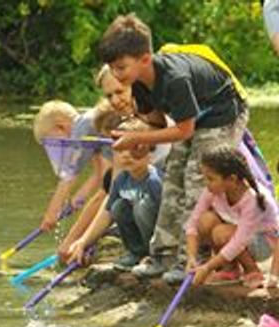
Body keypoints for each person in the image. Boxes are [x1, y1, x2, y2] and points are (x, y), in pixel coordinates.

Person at [98, 14, 249, 284]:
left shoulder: (175, 78)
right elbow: (155, 123)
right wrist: (139, 139)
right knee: (172, 178)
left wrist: (134, 139)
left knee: (196, 181)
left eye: (121, 67)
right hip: (193, 120)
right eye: (112, 68)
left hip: (223, 113)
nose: (116, 76)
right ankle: (163, 254)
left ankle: (193, 258)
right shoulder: (139, 85)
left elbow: (184, 130)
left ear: (145, 58)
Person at [68, 118, 162, 269]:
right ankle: (137, 253)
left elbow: (167, 220)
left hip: (159, 235)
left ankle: (157, 255)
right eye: (120, 149)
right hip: (142, 235)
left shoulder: (154, 181)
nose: (126, 155)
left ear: (150, 152)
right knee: (118, 206)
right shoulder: (121, 180)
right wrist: (83, 242)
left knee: (141, 207)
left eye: (135, 148)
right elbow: (108, 212)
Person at [185, 145, 279, 288]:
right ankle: (229, 269)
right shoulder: (213, 190)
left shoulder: (252, 199)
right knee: (205, 220)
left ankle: (252, 271)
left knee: (220, 232)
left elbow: (239, 241)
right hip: (240, 234)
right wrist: (191, 257)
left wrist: (207, 267)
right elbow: (193, 223)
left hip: (263, 242)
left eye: (210, 179)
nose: (206, 183)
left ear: (232, 179)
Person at [33, 100, 112, 231]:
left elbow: (70, 174)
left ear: (61, 127)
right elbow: (99, 173)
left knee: (106, 194)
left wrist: (52, 212)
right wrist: (80, 196)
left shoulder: (82, 127)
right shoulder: (89, 132)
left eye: (55, 141)